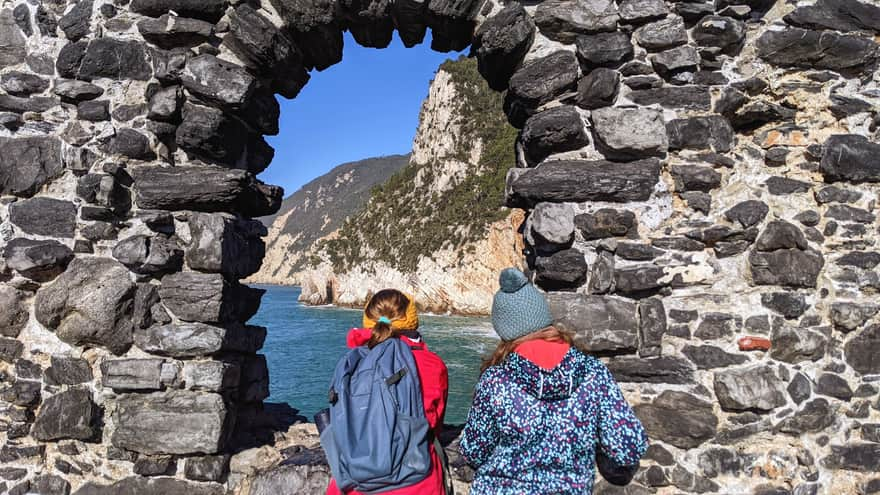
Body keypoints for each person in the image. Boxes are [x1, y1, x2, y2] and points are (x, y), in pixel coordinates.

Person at [460, 268, 648, 494]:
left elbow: (473, 450)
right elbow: (627, 447)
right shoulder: (593, 373)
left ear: (505, 330)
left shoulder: (496, 380)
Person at [326, 289, 450, 495]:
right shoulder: (432, 365)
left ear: (369, 321)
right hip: (416, 483)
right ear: (411, 320)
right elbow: (434, 424)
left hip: (353, 484)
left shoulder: (352, 362)